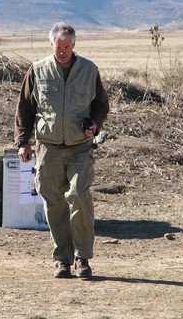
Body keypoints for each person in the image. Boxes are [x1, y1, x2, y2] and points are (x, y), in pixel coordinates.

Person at [14, 22, 109, 279]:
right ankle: (63, 260)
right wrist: (23, 142)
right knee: (54, 203)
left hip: (80, 146)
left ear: (74, 45)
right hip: (48, 147)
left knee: (79, 195)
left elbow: (101, 105)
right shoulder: (37, 70)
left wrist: (95, 124)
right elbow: (25, 107)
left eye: (67, 46)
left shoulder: (89, 70)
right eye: (59, 47)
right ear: (51, 45)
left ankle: (83, 258)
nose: (63, 51)